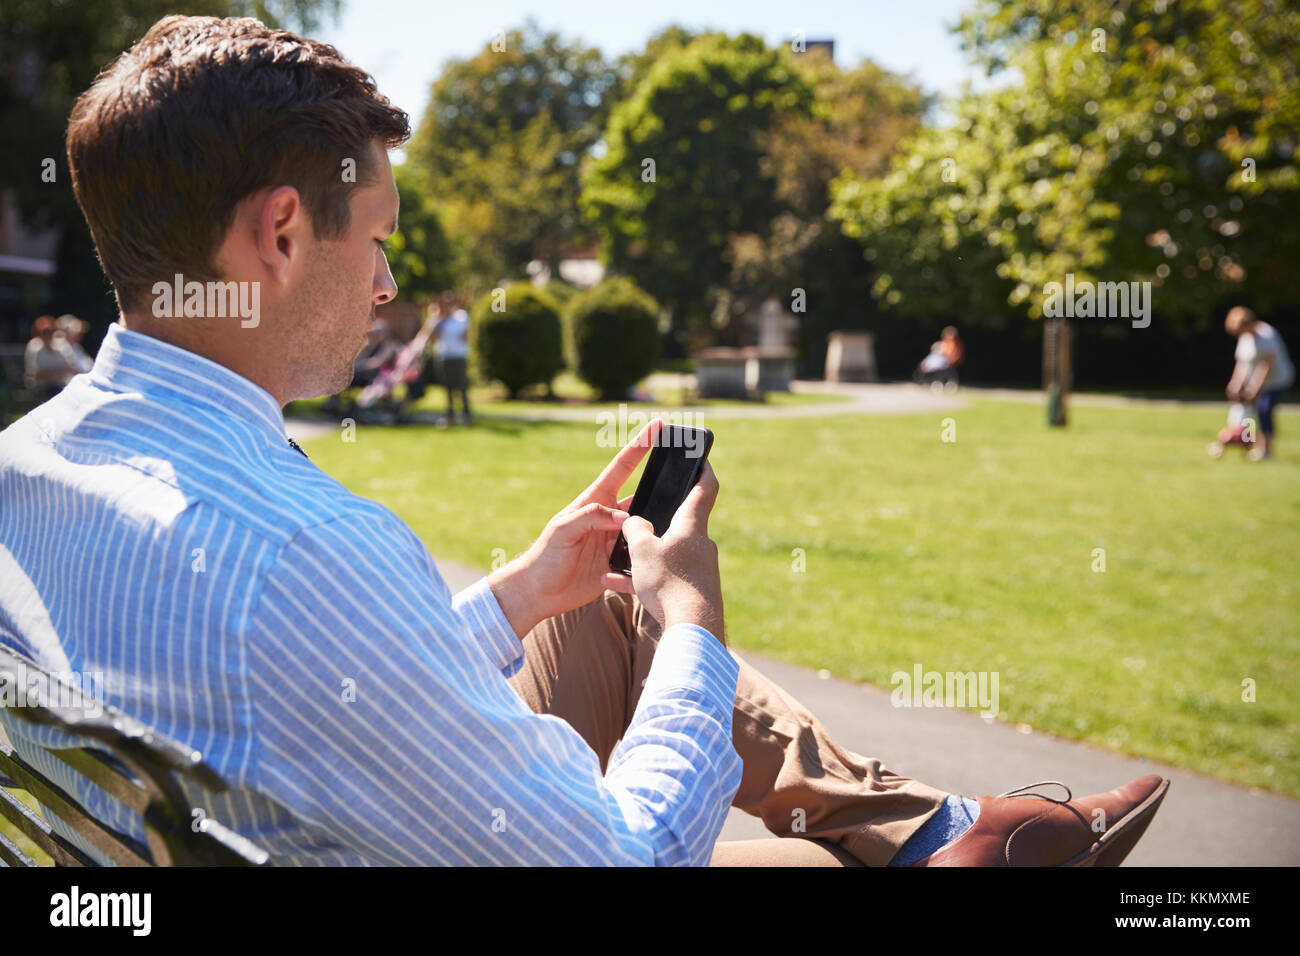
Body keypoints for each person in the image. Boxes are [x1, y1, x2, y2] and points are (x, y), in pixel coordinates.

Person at [0, 15, 1167, 867]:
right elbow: (616, 859)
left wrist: (514, 593)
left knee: (591, 594)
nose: (390, 284)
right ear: (283, 232)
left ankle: (947, 836)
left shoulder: (29, 464)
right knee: (652, 616)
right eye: (380, 242)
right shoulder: (302, 548)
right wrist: (695, 623)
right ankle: (956, 843)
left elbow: (293, 683)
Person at [1224, 306, 1293, 461]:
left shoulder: (1267, 334)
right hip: (1255, 380)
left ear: (1247, 323)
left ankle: (1266, 450)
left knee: (1264, 409)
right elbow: (1241, 363)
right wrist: (1235, 383)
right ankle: (1250, 446)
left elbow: (1265, 366)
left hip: (1277, 380)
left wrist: (1254, 389)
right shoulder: (1245, 337)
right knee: (1249, 411)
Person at [433, 290, 471, 425]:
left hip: (459, 355)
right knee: (447, 388)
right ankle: (450, 416)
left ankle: (466, 415)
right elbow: (433, 336)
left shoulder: (462, 316)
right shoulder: (438, 319)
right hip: (444, 356)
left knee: (462, 386)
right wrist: (440, 319)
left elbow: (465, 336)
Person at [23, 315, 79, 400]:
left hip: (63, 384)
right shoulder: (34, 347)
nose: (47, 335)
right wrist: (57, 372)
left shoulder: (62, 345)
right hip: (43, 387)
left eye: (51, 331)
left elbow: (71, 368)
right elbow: (35, 375)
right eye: (44, 332)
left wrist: (53, 372)